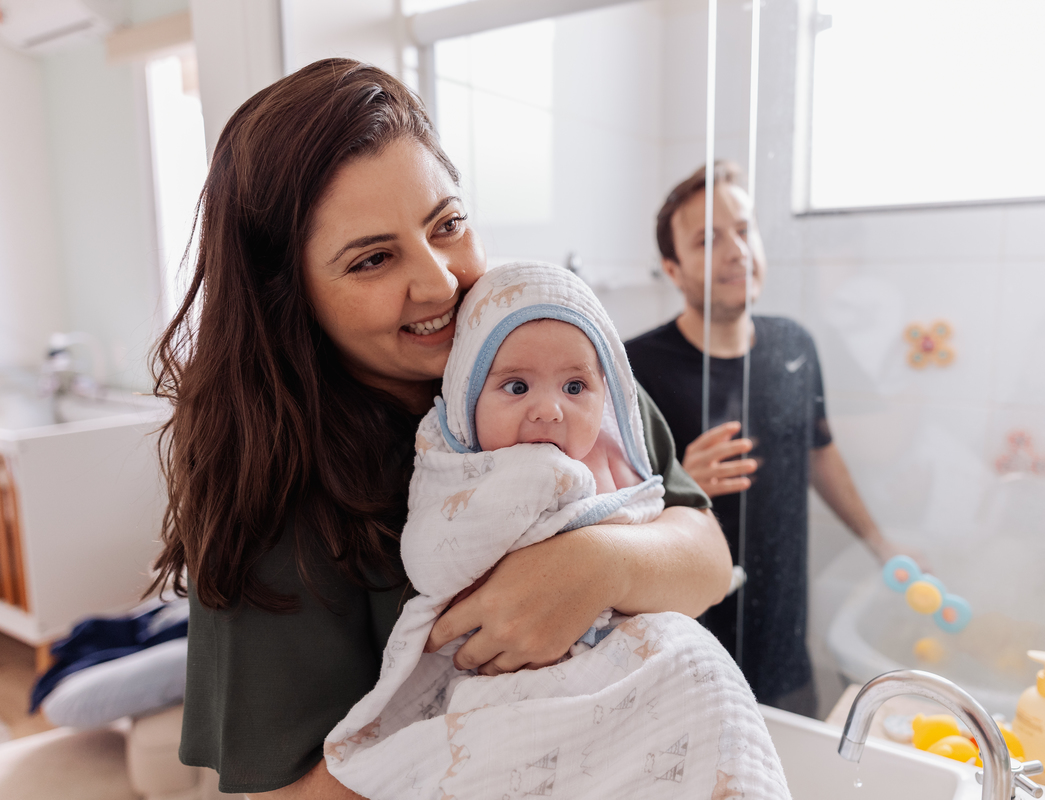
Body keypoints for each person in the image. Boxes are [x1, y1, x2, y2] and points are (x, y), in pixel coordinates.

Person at [148, 60, 731, 798]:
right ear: (287, 292)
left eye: (446, 225)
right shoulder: (275, 491)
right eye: (373, 260)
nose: (440, 283)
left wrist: (594, 567)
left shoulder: (548, 358)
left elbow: (706, 555)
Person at [323, 261, 787, 799]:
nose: (549, 410)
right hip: (506, 684)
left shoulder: (616, 452)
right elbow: (433, 558)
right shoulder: (459, 467)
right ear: (467, 401)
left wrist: (604, 562)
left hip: (626, 661)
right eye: (516, 387)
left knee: (704, 675)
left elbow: (687, 546)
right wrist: (544, 480)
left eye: (575, 387)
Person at [625, 161, 899, 717]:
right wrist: (679, 487)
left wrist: (880, 544)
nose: (736, 251)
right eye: (708, 240)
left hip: (784, 645)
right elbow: (603, 516)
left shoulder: (793, 345)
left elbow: (820, 455)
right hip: (684, 657)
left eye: (744, 230)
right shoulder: (633, 369)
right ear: (673, 270)